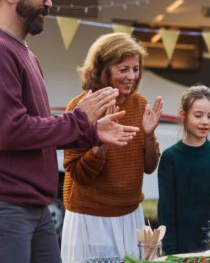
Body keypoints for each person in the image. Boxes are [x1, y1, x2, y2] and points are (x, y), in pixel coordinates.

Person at [0, 0, 140, 262]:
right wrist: (78, 119)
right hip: (9, 208)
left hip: (37, 207)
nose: (49, 3)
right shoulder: (2, 51)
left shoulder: (26, 54)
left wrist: (90, 133)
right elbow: (9, 130)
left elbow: (36, 128)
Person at [60, 33, 164, 263]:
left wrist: (148, 136)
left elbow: (149, 167)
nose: (132, 77)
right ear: (103, 69)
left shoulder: (140, 104)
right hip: (90, 218)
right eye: (123, 69)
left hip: (130, 215)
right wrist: (103, 145)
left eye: (135, 69)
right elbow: (79, 174)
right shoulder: (82, 107)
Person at [158, 85, 210, 255]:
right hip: (185, 246)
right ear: (183, 115)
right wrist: (171, 252)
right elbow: (166, 210)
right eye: (198, 115)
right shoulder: (170, 158)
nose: (205, 121)